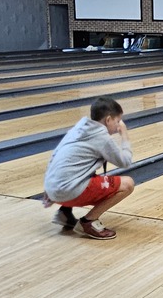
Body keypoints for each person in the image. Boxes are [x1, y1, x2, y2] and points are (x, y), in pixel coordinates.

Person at [43, 96, 135, 240]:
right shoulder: (101, 137)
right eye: (117, 122)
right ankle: (89, 221)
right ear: (108, 120)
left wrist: (49, 188)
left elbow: (56, 155)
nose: (118, 126)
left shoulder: (79, 128)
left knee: (87, 172)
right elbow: (126, 162)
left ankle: (64, 213)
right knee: (127, 184)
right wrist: (124, 135)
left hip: (51, 189)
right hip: (67, 191)